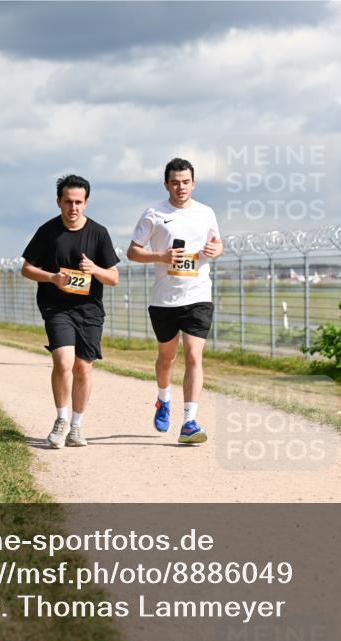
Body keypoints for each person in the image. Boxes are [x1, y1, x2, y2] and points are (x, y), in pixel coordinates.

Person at [126, 157, 223, 444]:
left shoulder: (206, 213)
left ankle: (190, 421)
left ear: (193, 183)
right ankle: (163, 399)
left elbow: (217, 243)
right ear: (166, 184)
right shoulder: (154, 214)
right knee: (167, 358)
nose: (181, 187)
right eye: (175, 182)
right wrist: (161, 256)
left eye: (185, 182)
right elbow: (133, 252)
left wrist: (215, 249)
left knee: (194, 356)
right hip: (165, 299)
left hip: (198, 295)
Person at [21, 175, 120, 449]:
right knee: (63, 361)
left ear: (86, 203)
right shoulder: (47, 231)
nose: (73, 207)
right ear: (58, 202)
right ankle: (61, 420)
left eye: (78, 202)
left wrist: (95, 270)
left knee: (82, 368)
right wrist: (53, 278)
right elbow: (26, 268)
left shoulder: (99, 233)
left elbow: (113, 278)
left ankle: (77, 426)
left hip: (89, 310)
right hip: (56, 307)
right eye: (68, 202)